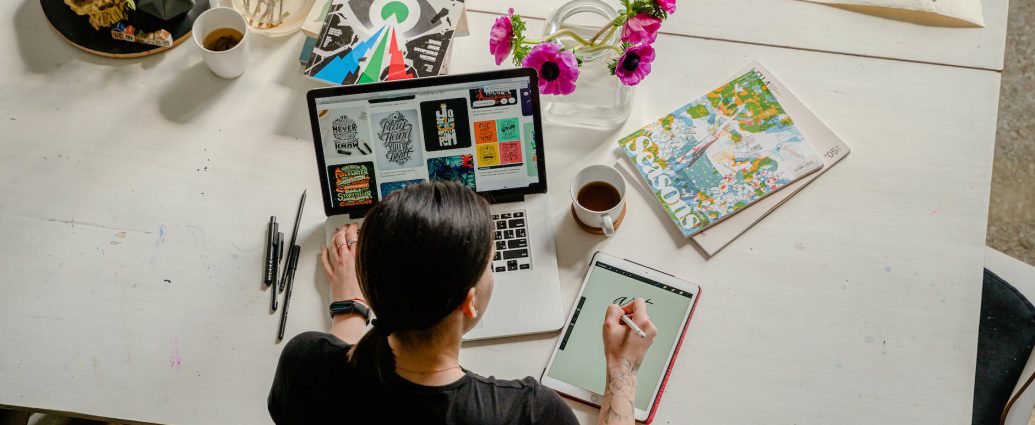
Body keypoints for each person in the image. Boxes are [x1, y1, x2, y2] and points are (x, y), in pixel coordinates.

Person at [268, 181, 657, 424]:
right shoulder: (528, 414)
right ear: (469, 303)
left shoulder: (305, 365)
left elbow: (339, 361)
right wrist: (622, 370)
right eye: (490, 264)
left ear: (373, 291)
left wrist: (349, 304)